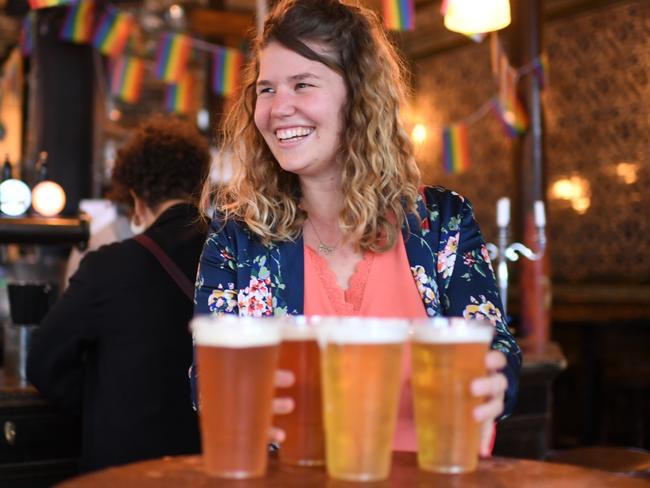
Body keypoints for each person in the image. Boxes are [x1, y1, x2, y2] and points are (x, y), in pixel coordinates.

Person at [193, 0, 521, 456]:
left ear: (360, 95)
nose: (277, 108)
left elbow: (495, 344)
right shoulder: (236, 237)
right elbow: (207, 383)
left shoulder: (442, 221)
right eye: (265, 90)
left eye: (302, 84)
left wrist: (495, 377)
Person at [27, 116, 210, 472]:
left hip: (129, 468)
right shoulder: (236, 261)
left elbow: (43, 363)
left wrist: (105, 399)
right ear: (199, 187)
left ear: (136, 196)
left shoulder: (108, 266)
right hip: (211, 465)